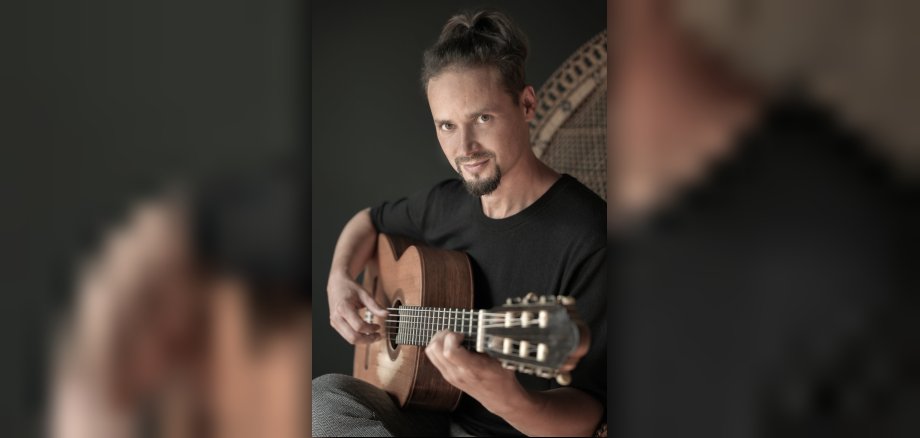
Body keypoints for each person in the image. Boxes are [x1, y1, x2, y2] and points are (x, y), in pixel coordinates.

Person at [313, 9, 607, 437]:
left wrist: (509, 400)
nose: (464, 147)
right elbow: (368, 221)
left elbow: (590, 412)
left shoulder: (589, 235)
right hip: (426, 412)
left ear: (527, 104)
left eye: (482, 118)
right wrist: (338, 279)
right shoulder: (445, 203)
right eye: (447, 125)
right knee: (323, 402)